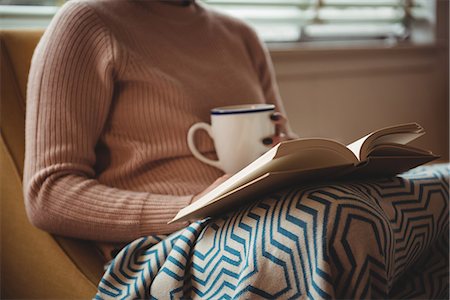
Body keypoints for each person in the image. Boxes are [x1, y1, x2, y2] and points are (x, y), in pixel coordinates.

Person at [23, 0, 296, 260]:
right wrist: (191, 208)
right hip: (165, 245)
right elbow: (47, 192)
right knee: (305, 234)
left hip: (263, 214)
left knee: (335, 209)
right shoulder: (87, 23)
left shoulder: (241, 35)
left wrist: (283, 151)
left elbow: (283, 139)